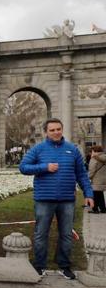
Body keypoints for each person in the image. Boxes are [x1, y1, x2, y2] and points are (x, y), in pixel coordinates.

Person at [19, 118, 94, 279]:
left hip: (67, 200)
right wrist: (45, 167)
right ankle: (39, 266)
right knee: (41, 234)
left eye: (58, 129)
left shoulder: (72, 149)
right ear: (46, 132)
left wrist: (88, 194)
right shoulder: (38, 149)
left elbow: (82, 174)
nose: (56, 132)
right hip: (44, 200)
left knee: (66, 235)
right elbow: (23, 167)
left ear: (62, 129)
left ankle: (64, 266)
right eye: (52, 130)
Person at [88, 145, 106, 213]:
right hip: (103, 179)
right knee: (100, 194)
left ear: (94, 151)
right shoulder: (104, 156)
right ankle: (103, 209)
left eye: (91, 151)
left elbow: (92, 170)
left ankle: (95, 209)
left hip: (96, 179)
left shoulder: (94, 158)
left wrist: (88, 177)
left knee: (95, 194)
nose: (91, 153)